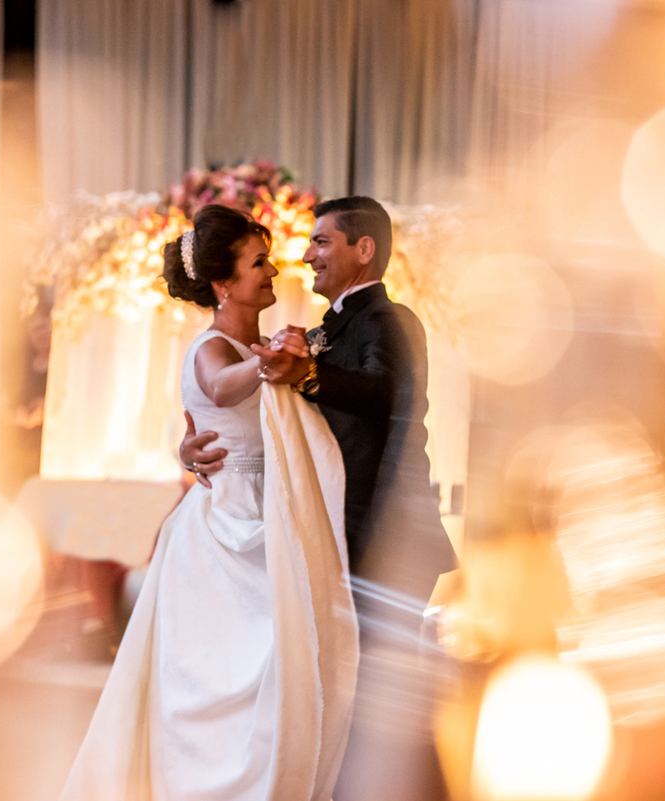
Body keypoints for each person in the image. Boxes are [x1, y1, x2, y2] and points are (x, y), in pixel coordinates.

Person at [59, 204, 359, 801]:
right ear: (224, 282)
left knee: (282, 660)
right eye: (259, 262)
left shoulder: (262, 346)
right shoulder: (213, 348)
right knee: (220, 675)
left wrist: (281, 361)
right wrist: (271, 365)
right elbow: (220, 388)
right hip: (225, 529)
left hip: (275, 515)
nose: (272, 271)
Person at [182, 196, 457, 801]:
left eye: (321, 242)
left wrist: (305, 373)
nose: (306, 256)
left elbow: (387, 392)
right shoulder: (326, 329)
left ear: (364, 250)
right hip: (333, 532)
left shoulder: (390, 320)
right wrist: (193, 446)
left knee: (384, 693)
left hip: (385, 535)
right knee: (345, 685)